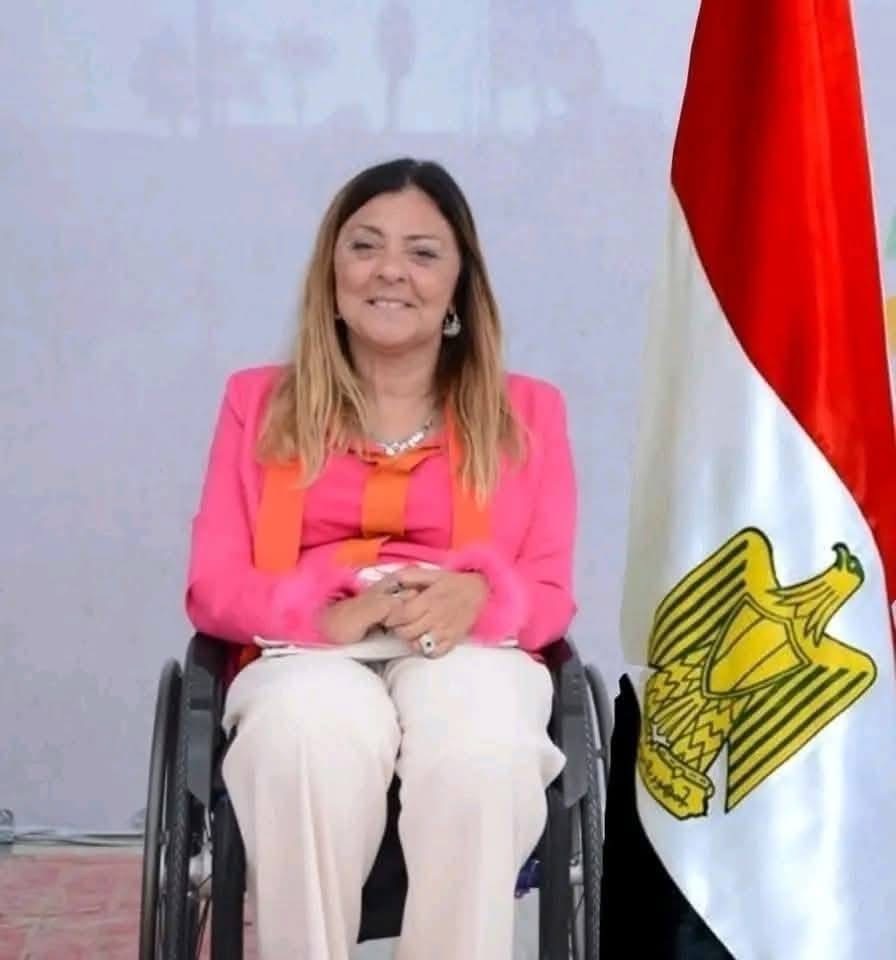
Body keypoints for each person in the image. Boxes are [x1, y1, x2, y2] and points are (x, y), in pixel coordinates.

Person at [186, 157, 578, 960]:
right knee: (305, 731)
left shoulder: (528, 413)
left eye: (423, 252)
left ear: (459, 286)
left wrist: (482, 598)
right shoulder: (257, 403)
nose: (390, 270)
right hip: (306, 650)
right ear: (331, 276)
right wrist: (318, 611)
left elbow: (549, 589)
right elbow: (213, 585)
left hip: (465, 648)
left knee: (484, 743)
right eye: (365, 246)